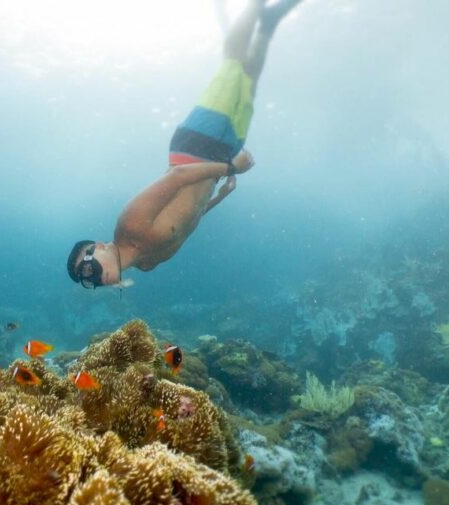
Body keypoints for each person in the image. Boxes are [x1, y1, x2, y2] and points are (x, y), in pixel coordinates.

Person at [67, 0, 304, 289]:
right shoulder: (147, 264)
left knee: (232, 66)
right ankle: (267, 26)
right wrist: (220, 196)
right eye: (86, 279)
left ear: (100, 246)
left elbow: (176, 176)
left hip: (194, 147)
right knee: (248, 83)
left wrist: (232, 167)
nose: (91, 276)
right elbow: (185, 222)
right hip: (216, 166)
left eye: (87, 266)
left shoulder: (130, 224)